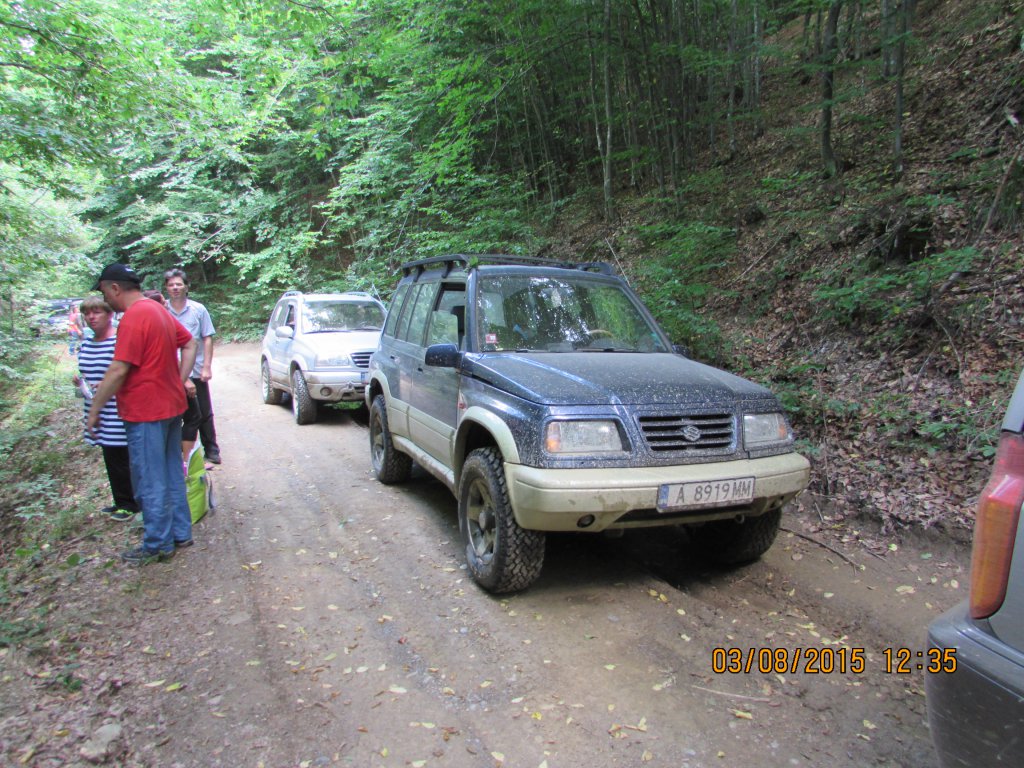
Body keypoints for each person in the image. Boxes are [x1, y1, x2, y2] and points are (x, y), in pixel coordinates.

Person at [87, 263, 198, 566]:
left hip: (146, 411)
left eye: (104, 292)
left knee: (150, 479)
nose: (104, 299)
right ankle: (180, 533)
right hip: (170, 407)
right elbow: (190, 343)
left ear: (114, 288)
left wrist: (95, 409)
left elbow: (119, 368)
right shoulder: (158, 309)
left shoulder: (134, 316)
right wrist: (178, 381)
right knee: (171, 472)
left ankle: (158, 544)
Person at [73, 297, 139, 522]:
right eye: (87, 313)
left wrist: (107, 384)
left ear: (109, 315)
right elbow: (87, 370)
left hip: (117, 408)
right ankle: (120, 500)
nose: (91, 317)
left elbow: (129, 372)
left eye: (97, 312)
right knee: (110, 455)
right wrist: (80, 382)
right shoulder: (87, 343)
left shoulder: (118, 341)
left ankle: (130, 504)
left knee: (121, 456)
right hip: (95, 406)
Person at [164, 269, 221, 465]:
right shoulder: (162, 311)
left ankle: (211, 450)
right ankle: (180, 456)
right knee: (179, 414)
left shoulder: (198, 309)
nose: (175, 288)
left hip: (195, 369)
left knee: (204, 411)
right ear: (166, 288)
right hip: (171, 372)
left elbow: (207, 337)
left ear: (186, 287)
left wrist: (207, 366)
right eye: (171, 285)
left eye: (179, 284)